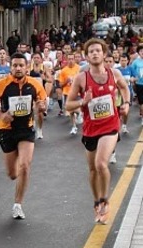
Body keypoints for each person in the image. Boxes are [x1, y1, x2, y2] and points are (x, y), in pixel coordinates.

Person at [65, 38, 131, 224]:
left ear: (104, 54)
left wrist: (125, 104)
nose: (95, 53)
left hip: (110, 126)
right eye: (91, 51)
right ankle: (96, 201)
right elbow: (69, 105)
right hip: (90, 129)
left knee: (101, 164)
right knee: (93, 169)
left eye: (98, 51)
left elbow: (125, 89)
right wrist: (82, 102)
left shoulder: (114, 73)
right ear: (86, 56)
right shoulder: (81, 78)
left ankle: (105, 200)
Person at [0, 53, 47, 219]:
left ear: (26, 67)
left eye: (21, 65)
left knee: (25, 165)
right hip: (6, 130)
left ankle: (17, 204)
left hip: (26, 129)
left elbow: (43, 101)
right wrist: (0, 115)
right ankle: (17, 171)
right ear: (10, 67)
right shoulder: (1, 84)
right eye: (15, 65)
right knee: (12, 174)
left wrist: (41, 106)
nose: (18, 68)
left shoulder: (35, 84)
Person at [59, 51, 83, 134]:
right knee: (71, 111)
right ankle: (74, 127)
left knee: (77, 109)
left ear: (75, 59)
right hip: (67, 93)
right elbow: (60, 85)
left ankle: (80, 113)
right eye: (69, 59)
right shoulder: (63, 71)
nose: (71, 60)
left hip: (78, 93)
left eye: (72, 59)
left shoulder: (80, 69)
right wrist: (66, 81)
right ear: (66, 60)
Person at [130, 45, 143, 122]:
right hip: (139, 84)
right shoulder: (135, 62)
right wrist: (134, 79)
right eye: (141, 51)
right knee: (141, 101)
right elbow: (132, 72)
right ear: (139, 52)